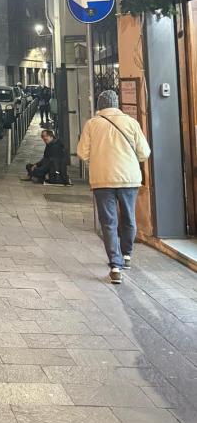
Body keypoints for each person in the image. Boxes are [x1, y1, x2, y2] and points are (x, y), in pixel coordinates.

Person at [77, 89, 151, 285]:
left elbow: (82, 153)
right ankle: (127, 255)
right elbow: (144, 153)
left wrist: (99, 156)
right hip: (129, 179)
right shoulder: (131, 123)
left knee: (108, 222)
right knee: (128, 217)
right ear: (117, 103)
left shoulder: (92, 124)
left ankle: (115, 266)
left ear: (100, 105)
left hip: (102, 180)